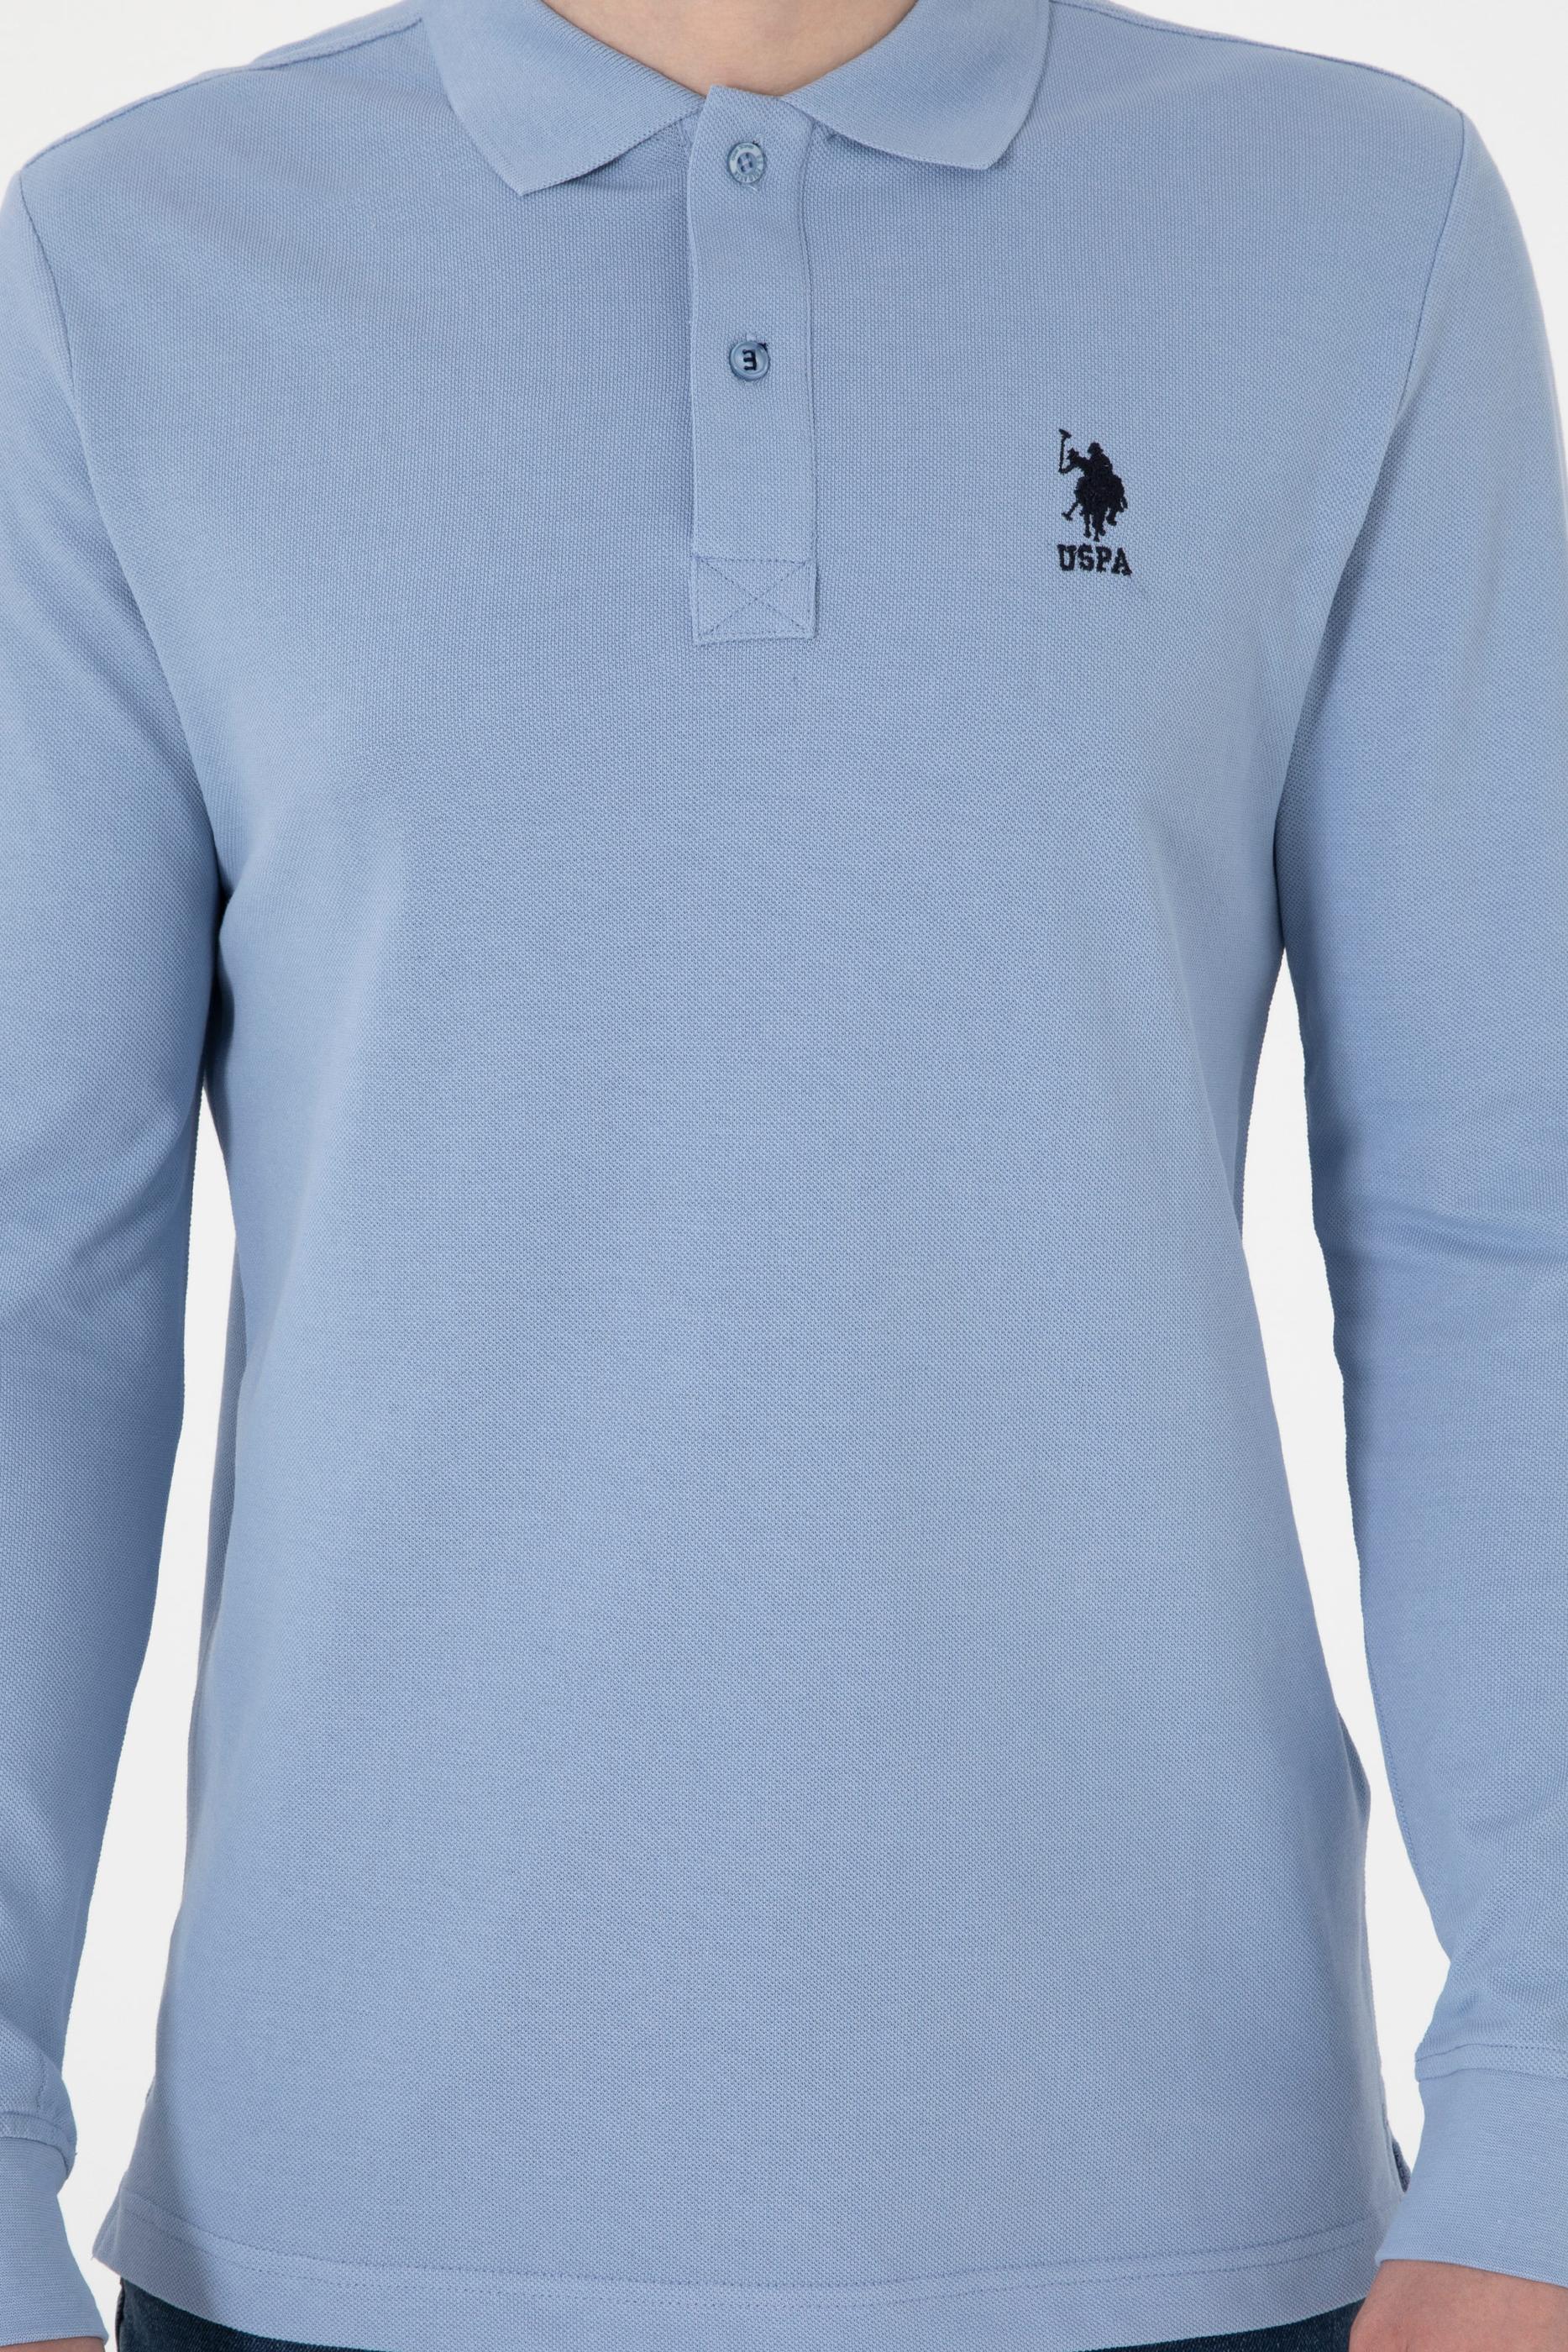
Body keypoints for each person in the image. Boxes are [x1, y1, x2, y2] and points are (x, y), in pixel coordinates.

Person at [1, 0, 1565, 2349]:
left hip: (1197, 2237)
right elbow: (42, 1280)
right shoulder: (132, 257)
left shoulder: (1357, 221)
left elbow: (1498, 1230)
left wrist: (1543, 2126)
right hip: (342, 2234)